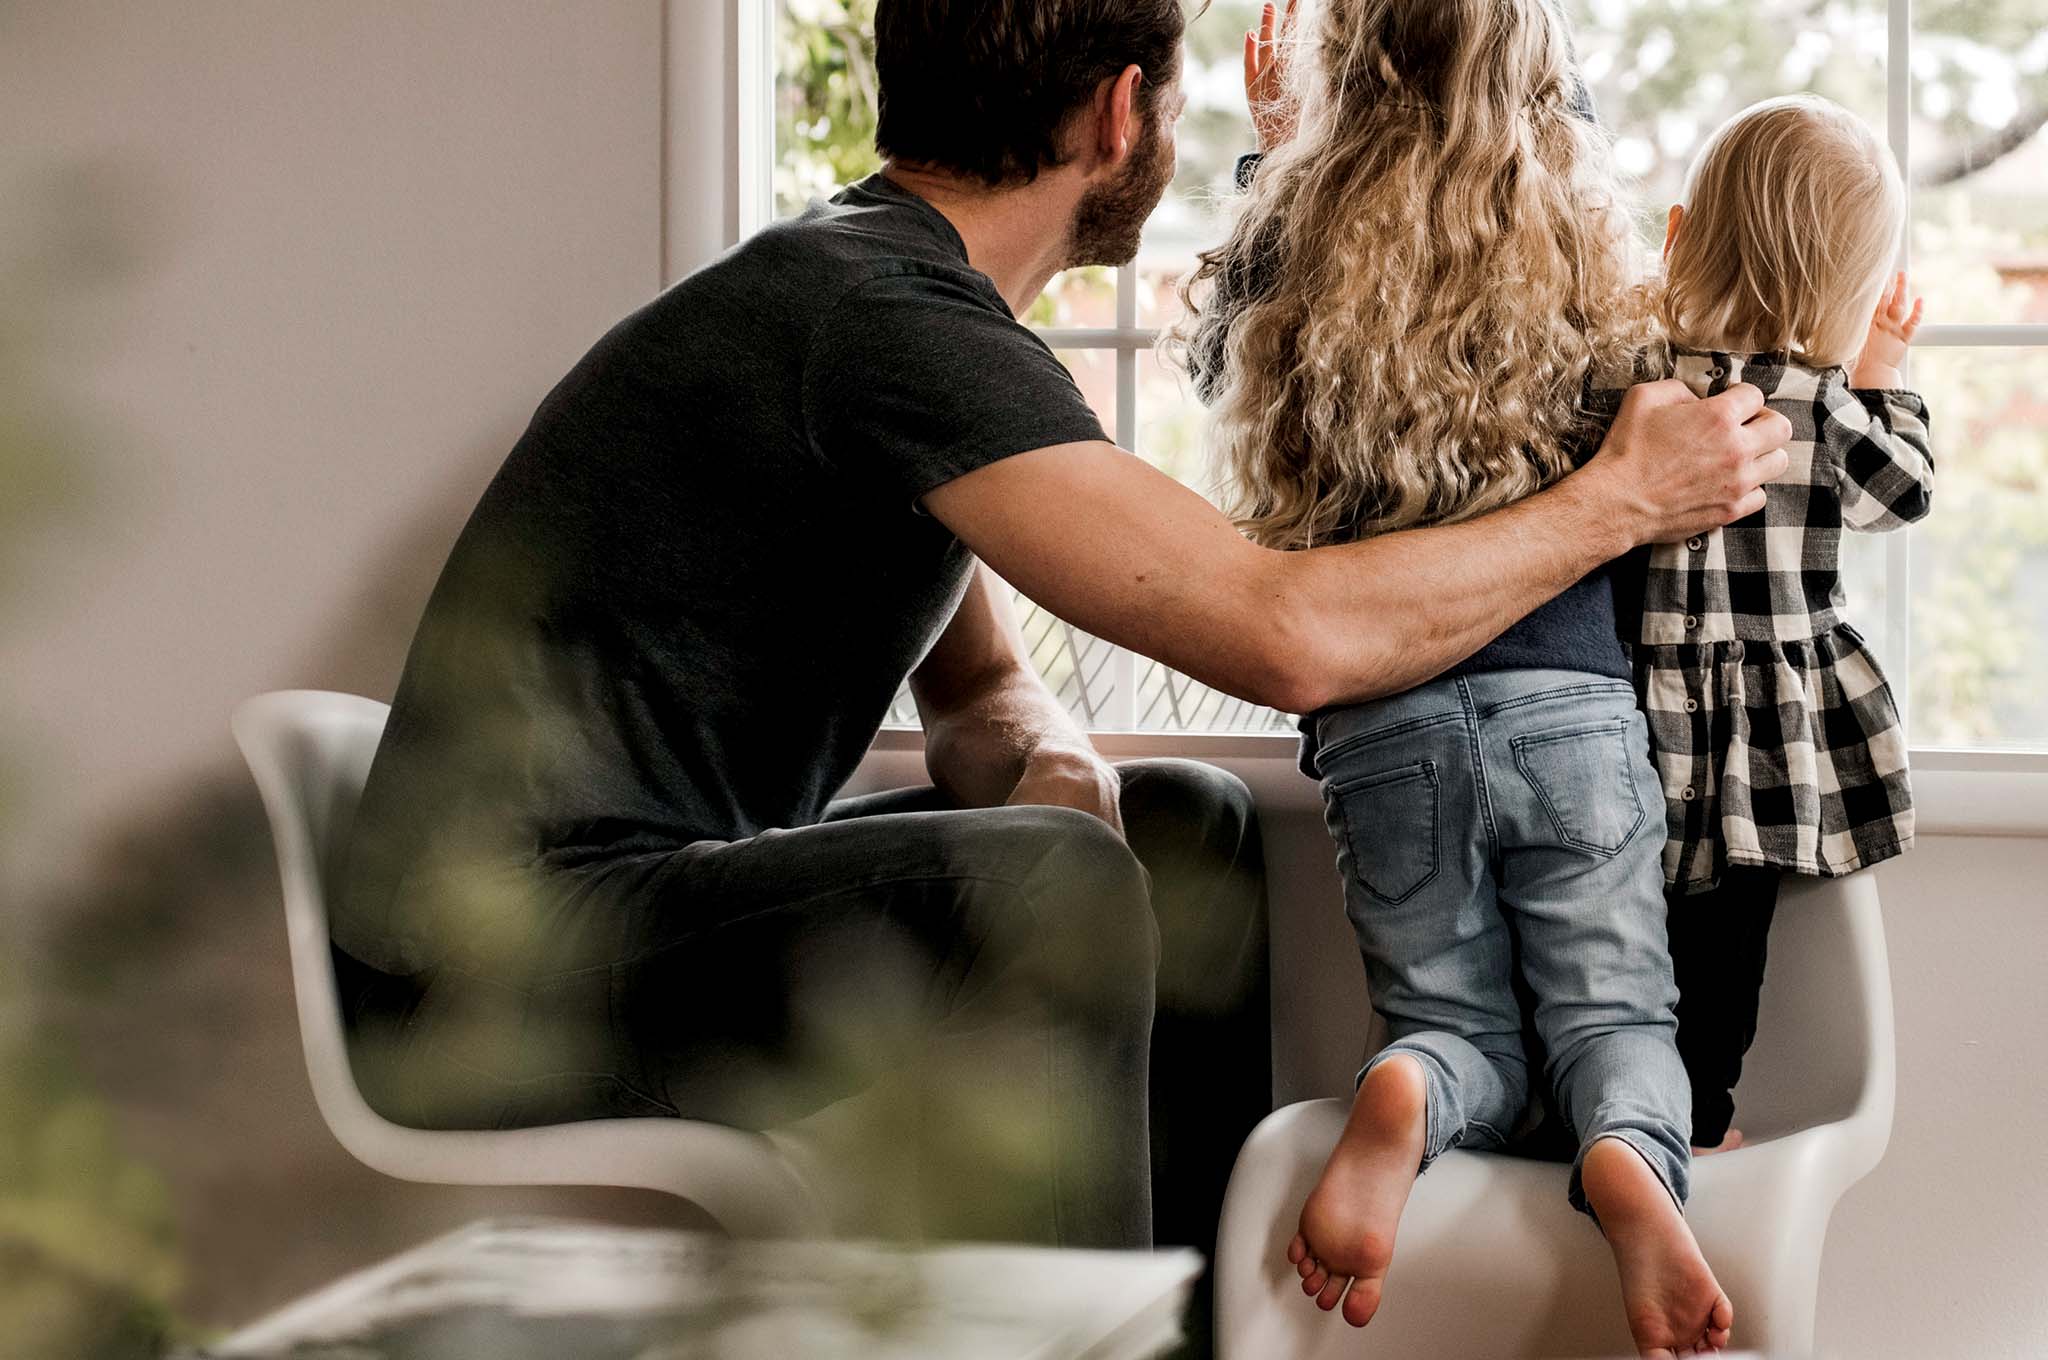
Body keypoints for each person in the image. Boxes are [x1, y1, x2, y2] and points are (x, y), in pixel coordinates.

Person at [336, 0, 1788, 1351]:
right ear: (1117, 114)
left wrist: (1056, 764)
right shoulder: (884, 321)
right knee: (1052, 880)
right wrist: (1616, 501)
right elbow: (1288, 637)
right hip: (478, 975)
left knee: (1181, 825)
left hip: (624, 906)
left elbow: (977, 697)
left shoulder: (876, 302)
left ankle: (1196, 1328)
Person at [1189, 1, 1731, 1353]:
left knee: (1453, 1021)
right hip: (1569, 716)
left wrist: (1276, 153)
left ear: (1341, 72)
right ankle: (1627, 1158)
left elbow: (1216, 355)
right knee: (1614, 1016)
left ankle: (1417, 1088)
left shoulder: (1302, 233)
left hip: (1380, 725)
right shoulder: (1582, 242)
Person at [1626, 95, 1933, 1154]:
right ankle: (1699, 1118)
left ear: (1678, 234)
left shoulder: (1634, 381)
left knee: (1615, 933)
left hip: (1637, 709)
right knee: (1725, 939)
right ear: (1848, 294)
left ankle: (1601, 1107)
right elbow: (1900, 495)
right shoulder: (1822, 402)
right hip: (1765, 730)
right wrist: (1882, 372)